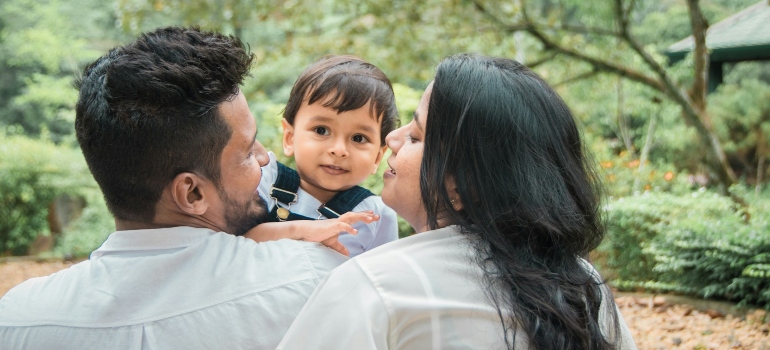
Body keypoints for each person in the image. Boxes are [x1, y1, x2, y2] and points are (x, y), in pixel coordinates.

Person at [0, 27, 355, 350]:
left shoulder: (18, 321)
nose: (266, 158)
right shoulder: (314, 280)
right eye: (248, 151)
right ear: (192, 194)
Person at [277, 54, 638, 349]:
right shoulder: (582, 283)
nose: (392, 137)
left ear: (463, 187)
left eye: (416, 136)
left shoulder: (375, 286)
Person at [243, 55, 399, 257]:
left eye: (358, 138)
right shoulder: (262, 181)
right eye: (321, 130)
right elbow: (232, 243)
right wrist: (301, 231)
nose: (339, 149)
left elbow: (381, 279)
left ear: (377, 157)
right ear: (290, 138)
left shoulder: (375, 215)